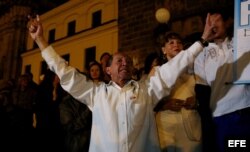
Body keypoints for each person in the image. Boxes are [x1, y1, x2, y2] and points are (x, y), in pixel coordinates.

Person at [27, 14, 216, 152]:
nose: (124, 62)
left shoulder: (147, 91)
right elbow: (64, 72)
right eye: (119, 60)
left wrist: (202, 41)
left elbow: (176, 65)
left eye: (127, 61)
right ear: (107, 70)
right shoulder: (96, 94)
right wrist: (40, 40)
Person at [194, 8, 250, 152]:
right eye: (209, 22)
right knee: (233, 147)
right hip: (223, 119)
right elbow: (202, 91)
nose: (213, 25)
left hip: (247, 110)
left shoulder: (241, 42)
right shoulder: (201, 54)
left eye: (217, 20)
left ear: (227, 23)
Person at [154, 32, 202, 152]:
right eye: (171, 42)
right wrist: (163, 104)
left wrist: (197, 102)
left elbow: (206, 95)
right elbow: (149, 98)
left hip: (190, 125)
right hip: (165, 126)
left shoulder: (195, 70)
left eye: (179, 42)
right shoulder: (157, 71)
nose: (176, 45)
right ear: (163, 50)